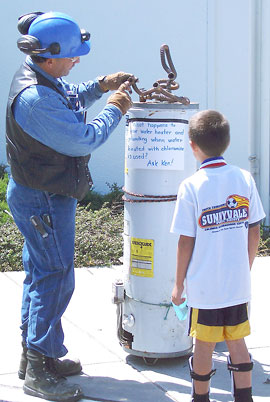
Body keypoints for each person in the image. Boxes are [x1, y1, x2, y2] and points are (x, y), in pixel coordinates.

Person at [6, 11, 134, 402]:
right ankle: (40, 370)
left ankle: (37, 357)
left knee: (41, 274)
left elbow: (70, 95)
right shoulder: (35, 98)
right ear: (48, 56)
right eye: (73, 55)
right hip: (43, 198)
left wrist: (98, 87)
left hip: (41, 193)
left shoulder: (42, 78)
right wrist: (114, 107)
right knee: (56, 277)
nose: (77, 60)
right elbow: (82, 139)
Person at [170, 110, 265, 402]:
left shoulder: (191, 186)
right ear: (227, 141)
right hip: (236, 285)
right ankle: (244, 396)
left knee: (204, 345)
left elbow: (186, 241)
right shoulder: (244, 178)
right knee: (238, 340)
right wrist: (245, 267)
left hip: (204, 287)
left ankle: (201, 397)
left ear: (192, 146)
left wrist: (178, 285)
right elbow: (254, 229)